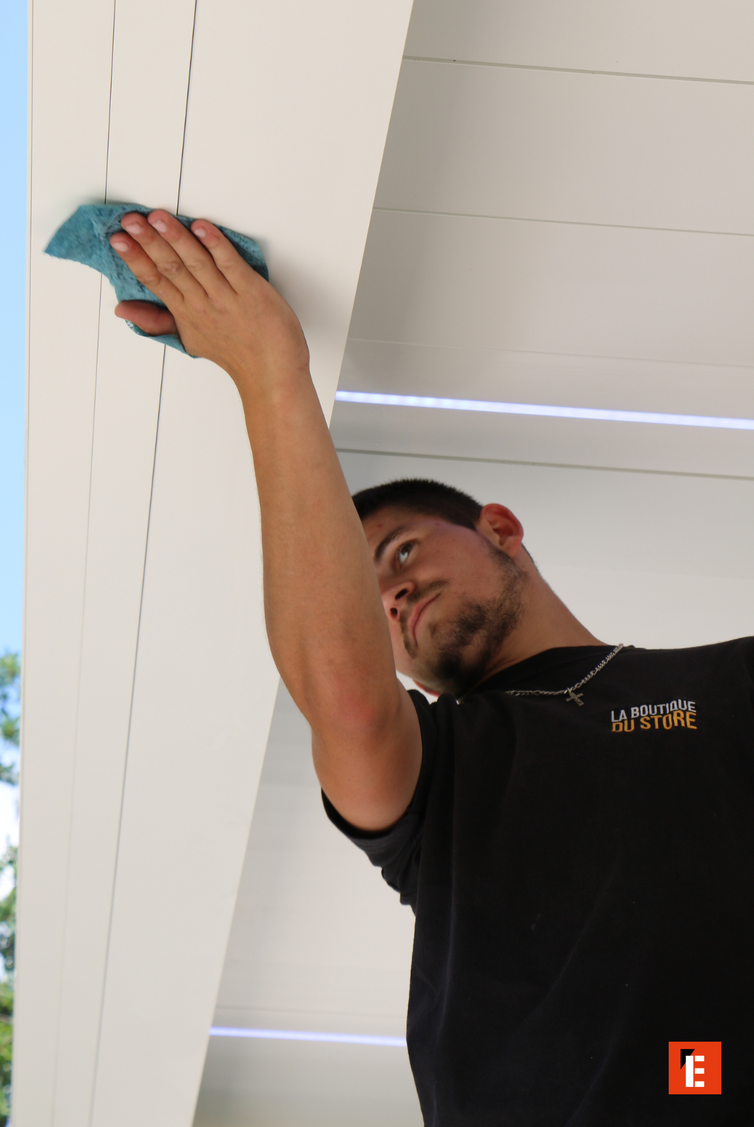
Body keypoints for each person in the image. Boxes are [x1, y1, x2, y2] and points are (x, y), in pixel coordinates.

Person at [109, 211, 754, 1124]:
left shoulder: (728, 687)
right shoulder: (433, 779)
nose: (393, 599)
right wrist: (267, 373)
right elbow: (348, 703)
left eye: (404, 553)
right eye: (368, 603)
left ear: (499, 530)